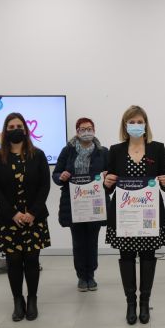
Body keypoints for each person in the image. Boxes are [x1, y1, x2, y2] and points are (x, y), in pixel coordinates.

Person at [104, 105, 165, 325]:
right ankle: (130, 303)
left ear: (146, 124)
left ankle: (144, 303)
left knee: (148, 256)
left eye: (139, 122)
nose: (135, 125)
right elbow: (109, 186)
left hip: (148, 213)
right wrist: (107, 182)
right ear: (125, 125)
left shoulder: (157, 148)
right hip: (124, 214)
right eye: (131, 122)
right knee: (126, 257)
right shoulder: (115, 150)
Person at [0, 112, 51, 322]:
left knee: (32, 260)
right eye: (11, 127)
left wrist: (32, 213)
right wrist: (13, 213)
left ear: (25, 129)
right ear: (5, 131)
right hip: (9, 219)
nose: (16, 130)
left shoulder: (38, 155)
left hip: (34, 218)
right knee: (13, 261)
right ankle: (18, 300)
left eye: (19, 126)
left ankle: (32, 299)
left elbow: (44, 186)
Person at [52, 117, 109, 291]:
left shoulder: (103, 152)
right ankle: (81, 277)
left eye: (89, 128)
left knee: (92, 241)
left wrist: (107, 175)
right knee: (78, 243)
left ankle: (91, 275)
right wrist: (61, 177)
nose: (86, 132)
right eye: (82, 129)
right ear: (77, 132)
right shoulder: (67, 151)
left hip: (95, 204)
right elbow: (56, 174)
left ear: (94, 130)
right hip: (74, 204)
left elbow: (111, 175)